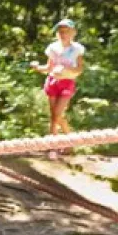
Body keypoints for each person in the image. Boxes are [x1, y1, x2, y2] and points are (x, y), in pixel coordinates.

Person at [31, 18, 86, 156]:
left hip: (67, 82)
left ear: (73, 33)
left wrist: (67, 69)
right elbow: (48, 67)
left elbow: (80, 69)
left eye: (66, 31)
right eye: (61, 31)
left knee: (58, 113)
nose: (63, 34)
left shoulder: (77, 49)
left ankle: (69, 140)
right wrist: (37, 67)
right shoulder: (53, 48)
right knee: (53, 115)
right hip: (52, 81)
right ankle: (53, 145)